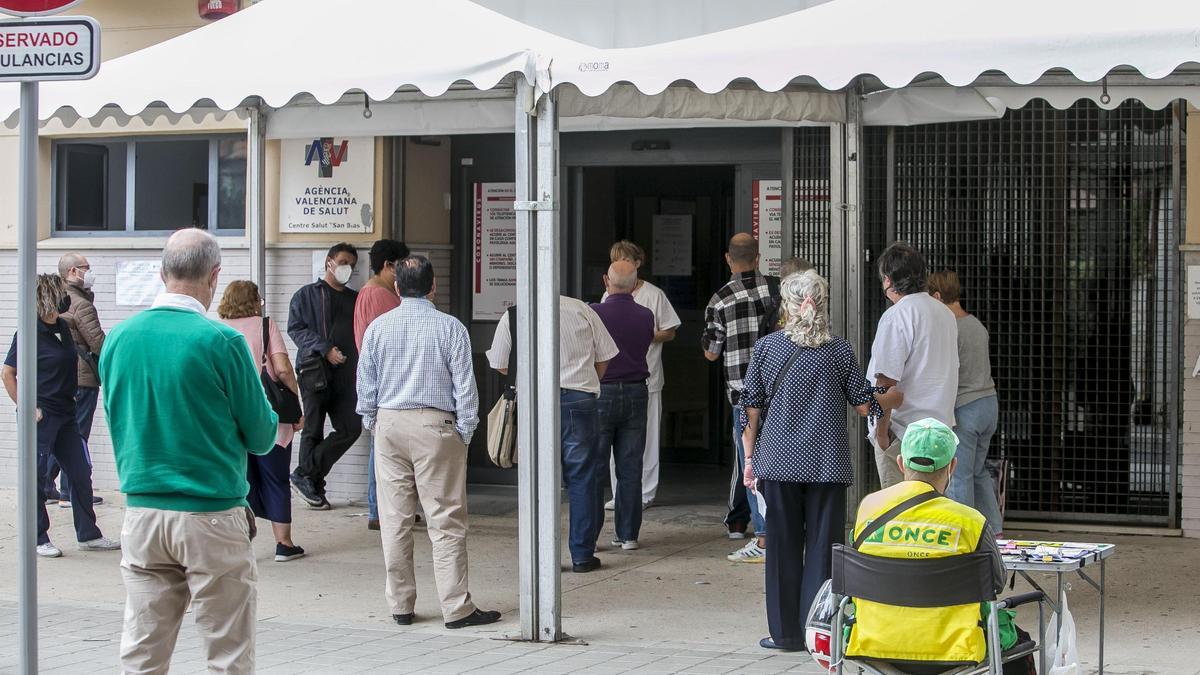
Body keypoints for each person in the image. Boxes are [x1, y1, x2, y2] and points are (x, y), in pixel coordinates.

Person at [100, 229, 278, 673]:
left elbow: (117, 417)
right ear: (215, 275)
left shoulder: (119, 339)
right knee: (227, 653)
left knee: (142, 652)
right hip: (212, 513)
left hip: (142, 513)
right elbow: (261, 436)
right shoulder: (223, 342)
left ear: (162, 272)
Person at [740, 271, 902, 651]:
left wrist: (749, 458)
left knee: (780, 546)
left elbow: (750, 409)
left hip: (778, 462)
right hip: (827, 464)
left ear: (787, 306)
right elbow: (865, 405)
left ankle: (784, 634)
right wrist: (888, 393)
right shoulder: (839, 351)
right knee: (824, 549)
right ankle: (819, 633)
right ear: (822, 304)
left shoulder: (766, 348)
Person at [357, 255, 500, 629]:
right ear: (433, 286)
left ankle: (401, 605)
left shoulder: (378, 328)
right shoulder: (450, 328)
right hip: (437, 426)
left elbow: (365, 388)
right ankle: (456, 607)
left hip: (389, 424)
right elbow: (465, 388)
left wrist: (374, 423)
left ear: (398, 288)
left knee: (394, 519)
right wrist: (464, 432)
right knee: (446, 520)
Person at [844, 418, 1010, 668]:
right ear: (952, 466)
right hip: (954, 651)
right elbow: (997, 581)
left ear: (900, 463)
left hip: (875, 645)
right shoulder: (972, 522)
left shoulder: (868, 509)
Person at [487, 296, 618, 573]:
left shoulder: (514, 314)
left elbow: (500, 363)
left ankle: (542, 557)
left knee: (539, 480)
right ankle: (582, 555)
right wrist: (584, 380)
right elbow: (605, 355)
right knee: (582, 479)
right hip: (579, 400)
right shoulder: (582, 309)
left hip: (535, 402)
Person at [1, 274, 120, 559]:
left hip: (67, 413)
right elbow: (8, 373)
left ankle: (88, 535)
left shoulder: (64, 329)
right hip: (41, 416)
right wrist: (28, 406)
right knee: (38, 477)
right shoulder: (28, 333)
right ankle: (38, 536)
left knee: (80, 472)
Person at [702, 232, 778, 562]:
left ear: (728, 259)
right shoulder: (777, 290)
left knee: (749, 464)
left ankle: (756, 534)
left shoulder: (720, 300)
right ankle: (783, 527)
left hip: (743, 396)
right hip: (780, 391)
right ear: (758, 258)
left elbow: (711, 353)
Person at [219, 281, 307, 562]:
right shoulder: (265, 325)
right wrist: (295, 407)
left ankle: (240, 542)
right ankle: (284, 544)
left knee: (241, 482)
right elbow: (282, 369)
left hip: (229, 417)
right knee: (276, 479)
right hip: (268, 415)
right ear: (255, 300)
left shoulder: (216, 328)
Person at [867, 242, 958, 489]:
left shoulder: (897, 315)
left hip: (904, 435)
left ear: (887, 280)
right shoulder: (945, 314)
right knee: (931, 513)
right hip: (939, 435)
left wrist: (882, 435)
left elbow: (886, 384)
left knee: (900, 512)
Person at [603, 241, 680, 511]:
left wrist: (644, 334)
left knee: (646, 441)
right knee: (615, 441)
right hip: (613, 376)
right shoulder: (607, 294)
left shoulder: (654, 295)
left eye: (625, 259)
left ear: (637, 263)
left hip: (648, 376)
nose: (620, 264)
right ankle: (618, 493)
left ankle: (645, 493)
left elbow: (670, 330)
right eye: (615, 260)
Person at [288, 242, 363, 509]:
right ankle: (314, 488)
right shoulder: (306, 295)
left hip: (346, 376)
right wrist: (325, 348)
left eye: (352, 265)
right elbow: (295, 329)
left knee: (351, 427)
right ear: (329, 262)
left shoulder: (356, 299)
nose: (347, 268)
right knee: (313, 430)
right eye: (343, 261)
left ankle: (304, 474)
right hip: (314, 372)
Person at [928, 270, 1003, 534]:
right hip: (988, 404)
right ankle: (995, 529)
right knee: (978, 471)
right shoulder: (977, 325)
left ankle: (964, 534)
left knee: (958, 475)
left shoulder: (950, 329)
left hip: (966, 408)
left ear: (937, 296)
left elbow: (946, 373)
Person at [590, 261, 655, 550]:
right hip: (636, 392)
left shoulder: (594, 313)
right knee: (630, 467)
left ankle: (588, 536)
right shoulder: (645, 315)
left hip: (602, 392)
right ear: (636, 284)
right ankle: (628, 534)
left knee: (595, 467)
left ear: (607, 280)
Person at [354, 239, 409, 531]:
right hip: (389, 382)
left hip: (381, 381)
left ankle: (383, 509)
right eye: (400, 264)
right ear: (388, 264)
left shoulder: (370, 292)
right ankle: (379, 509)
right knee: (384, 452)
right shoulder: (380, 296)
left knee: (384, 449)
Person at [45, 252, 105, 508]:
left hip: (64, 378)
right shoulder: (81, 304)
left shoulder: (56, 300)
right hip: (83, 379)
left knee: (63, 434)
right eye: (85, 268)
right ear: (72, 272)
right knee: (76, 436)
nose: (89, 273)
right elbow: (98, 343)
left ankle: (49, 486)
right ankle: (67, 490)